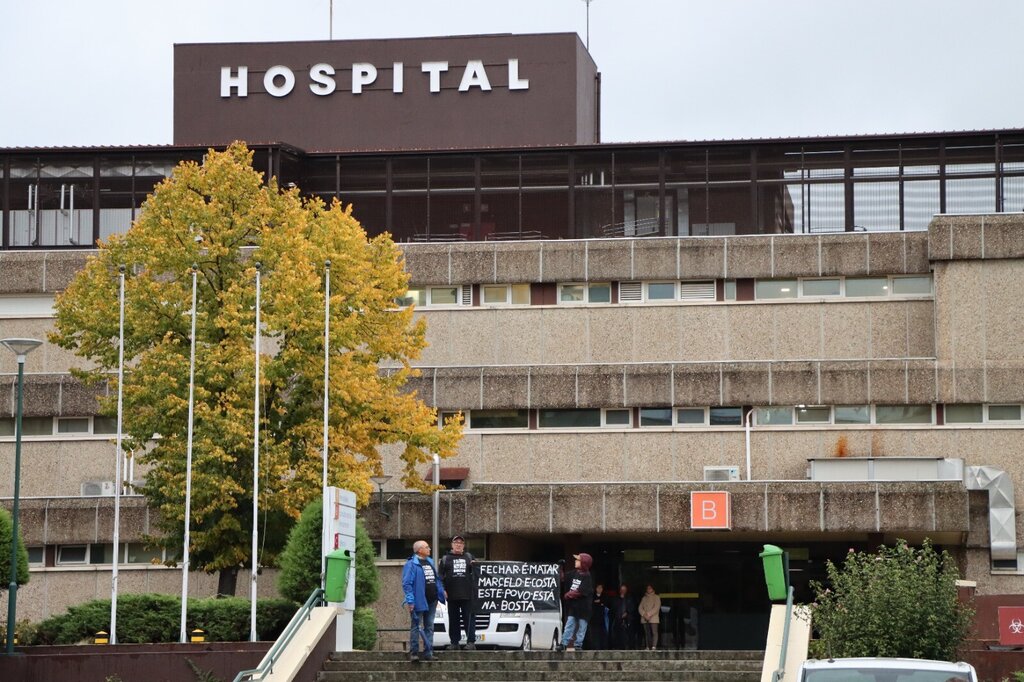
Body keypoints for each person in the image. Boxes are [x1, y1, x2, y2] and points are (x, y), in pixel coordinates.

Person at [402, 540, 446, 662]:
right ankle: (414, 653)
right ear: (419, 550)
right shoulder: (411, 564)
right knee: (416, 627)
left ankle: (429, 652)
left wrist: (441, 591)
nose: (429, 549)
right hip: (419, 601)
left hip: (432, 600)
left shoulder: (430, 562)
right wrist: (410, 601)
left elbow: (436, 579)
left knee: (429, 627)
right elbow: (407, 584)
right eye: (427, 547)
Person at [439, 534, 476, 650]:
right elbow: (440, 577)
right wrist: (443, 590)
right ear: (452, 545)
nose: (458, 545)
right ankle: (454, 642)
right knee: (453, 620)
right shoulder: (445, 559)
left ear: (463, 546)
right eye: (456, 543)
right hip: (451, 595)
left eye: (461, 543)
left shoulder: (469, 557)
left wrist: (474, 565)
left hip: (467, 595)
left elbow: (478, 573)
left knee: (469, 619)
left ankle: (471, 642)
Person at [557, 553, 594, 652]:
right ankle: (564, 643)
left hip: (584, 607)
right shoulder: (574, 573)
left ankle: (578, 644)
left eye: (578, 560)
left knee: (582, 626)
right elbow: (563, 578)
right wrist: (560, 567)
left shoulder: (587, 577)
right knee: (569, 625)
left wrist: (568, 594)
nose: (575, 561)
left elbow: (581, 591)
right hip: (574, 606)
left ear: (584, 563)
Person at [584, 582, 609, 650]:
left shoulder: (605, 597)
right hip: (594, 619)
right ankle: (595, 647)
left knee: (602, 633)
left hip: (602, 619)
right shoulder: (592, 597)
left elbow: (606, 604)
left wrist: (599, 602)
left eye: (601, 588)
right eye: (598, 588)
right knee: (594, 633)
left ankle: (603, 647)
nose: (599, 589)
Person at [611, 584, 637, 649]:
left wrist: (627, 612)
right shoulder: (616, 599)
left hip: (628, 619)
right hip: (618, 619)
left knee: (630, 634)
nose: (623, 591)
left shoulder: (630, 598)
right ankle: (619, 647)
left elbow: (633, 607)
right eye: (622, 589)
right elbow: (613, 608)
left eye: (624, 590)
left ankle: (630, 647)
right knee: (618, 634)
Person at [638, 584, 661, 650]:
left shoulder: (656, 597)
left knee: (654, 632)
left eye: (650, 588)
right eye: (647, 588)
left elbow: (656, 607)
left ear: (653, 589)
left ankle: (654, 646)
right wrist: (644, 614)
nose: (648, 589)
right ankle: (648, 646)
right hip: (645, 618)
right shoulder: (644, 598)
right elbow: (640, 608)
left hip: (653, 618)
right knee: (647, 633)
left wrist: (648, 614)